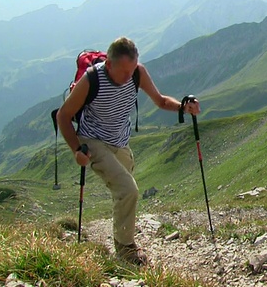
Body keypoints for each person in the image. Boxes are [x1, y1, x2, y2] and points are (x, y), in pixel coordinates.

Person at [57, 37, 200, 265]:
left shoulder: (137, 73)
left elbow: (161, 101)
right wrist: (76, 149)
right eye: (123, 71)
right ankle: (125, 249)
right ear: (109, 64)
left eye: (132, 70)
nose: (127, 78)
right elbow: (62, 116)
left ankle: (119, 238)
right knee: (128, 189)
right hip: (92, 140)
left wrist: (183, 107)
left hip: (120, 142)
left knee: (124, 190)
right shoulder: (91, 79)